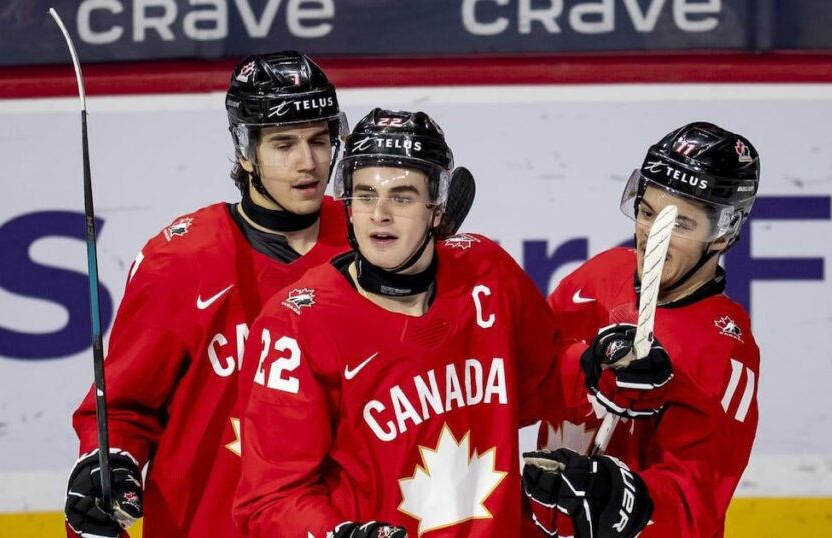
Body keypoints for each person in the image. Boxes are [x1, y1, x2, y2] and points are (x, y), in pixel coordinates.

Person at [232, 108, 563, 537]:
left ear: (438, 209)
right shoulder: (295, 325)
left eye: (402, 197)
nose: (379, 214)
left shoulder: (487, 272)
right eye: (365, 195)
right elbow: (269, 500)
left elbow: (548, 385)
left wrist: (600, 367)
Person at [64, 51, 351, 538]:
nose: (309, 163)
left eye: (319, 140)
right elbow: (125, 407)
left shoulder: (368, 242)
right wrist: (108, 464)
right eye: (284, 144)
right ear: (245, 151)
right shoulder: (182, 259)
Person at [523, 121, 762, 537]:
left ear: (723, 234)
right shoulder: (599, 276)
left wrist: (612, 495)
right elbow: (527, 375)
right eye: (648, 212)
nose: (652, 236)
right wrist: (588, 363)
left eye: (681, 224)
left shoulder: (722, 352)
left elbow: (695, 509)